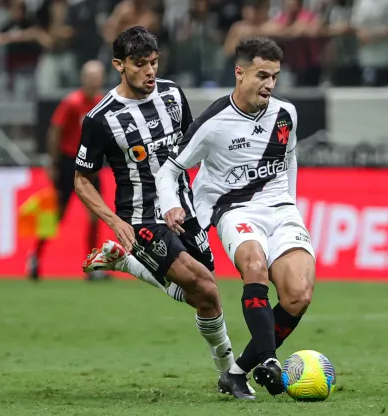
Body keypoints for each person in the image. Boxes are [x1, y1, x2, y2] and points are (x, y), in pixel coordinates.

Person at [72, 26, 247, 388]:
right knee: (208, 287)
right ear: (119, 65)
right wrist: (114, 221)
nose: (150, 71)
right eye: (140, 64)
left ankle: (127, 264)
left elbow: (192, 148)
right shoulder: (100, 119)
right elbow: (82, 180)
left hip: (184, 211)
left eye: (154, 62)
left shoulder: (171, 95)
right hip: (142, 218)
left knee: (203, 296)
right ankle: (230, 373)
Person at [155, 37, 316, 400]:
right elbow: (170, 170)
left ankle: (237, 371)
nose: (270, 85)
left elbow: (289, 159)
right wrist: (171, 205)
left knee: (299, 296)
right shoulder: (213, 122)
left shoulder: (286, 114)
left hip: (280, 209)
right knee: (255, 266)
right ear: (239, 73)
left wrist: (289, 202)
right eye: (262, 75)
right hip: (234, 210)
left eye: (275, 76)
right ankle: (270, 361)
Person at [27, 60, 106, 281]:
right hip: (68, 164)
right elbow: (55, 131)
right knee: (57, 215)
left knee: (95, 215)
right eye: (91, 76)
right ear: (84, 79)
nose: (94, 80)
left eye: (98, 76)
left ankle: (93, 267)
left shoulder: (101, 102)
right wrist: (52, 162)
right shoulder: (72, 102)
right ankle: (35, 257)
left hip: (90, 165)